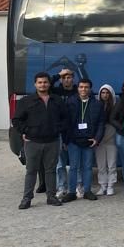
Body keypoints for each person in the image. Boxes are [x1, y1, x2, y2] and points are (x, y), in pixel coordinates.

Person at [12, 72, 65, 209]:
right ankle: (27, 198)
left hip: (52, 141)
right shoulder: (26, 101)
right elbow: (16, 120)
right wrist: (27, 131)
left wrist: (57, 129)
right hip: (33, 142)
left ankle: (51, 196)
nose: (43, 85)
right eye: (40, 82)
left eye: (45, 82)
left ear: (49, 84)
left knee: (51, 170)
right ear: (35, 84)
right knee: (31, 171)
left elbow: (65, 118)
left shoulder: (57, 100)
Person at [63, 78, 105, 201]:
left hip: (89, 140)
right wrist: (65, 140)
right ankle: (71, 192)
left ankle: (87, 191)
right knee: (73, 167)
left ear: (90, 89)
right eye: (81, 87)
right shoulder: (70, 102)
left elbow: (101, 123)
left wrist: (97, 139)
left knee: (87, 167)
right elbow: (65, 122)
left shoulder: (97, 104)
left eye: (86, 87)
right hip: (73, 140)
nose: (83, 89)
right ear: (77, 88)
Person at [50, 67, 76, 197]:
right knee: (60, 164)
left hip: (74, 131)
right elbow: (46, 83)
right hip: (59, 131)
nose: (66, 79)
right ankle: (61, 187)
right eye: (64, 77)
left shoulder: (77, 91)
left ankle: (75, 187)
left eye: (69, 77)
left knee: (75, 164)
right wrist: (58, 74)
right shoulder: (55, 91)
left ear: (73, 79)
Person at [95, 84, 118, 196]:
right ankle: (103, 185)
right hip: (99, 139)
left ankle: (110, 186)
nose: (105, 95)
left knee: (112, 164)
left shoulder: (115, 106)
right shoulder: (96, 106)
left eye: (107, 93)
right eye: (103, 93)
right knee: (101, 165)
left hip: (111, 138)